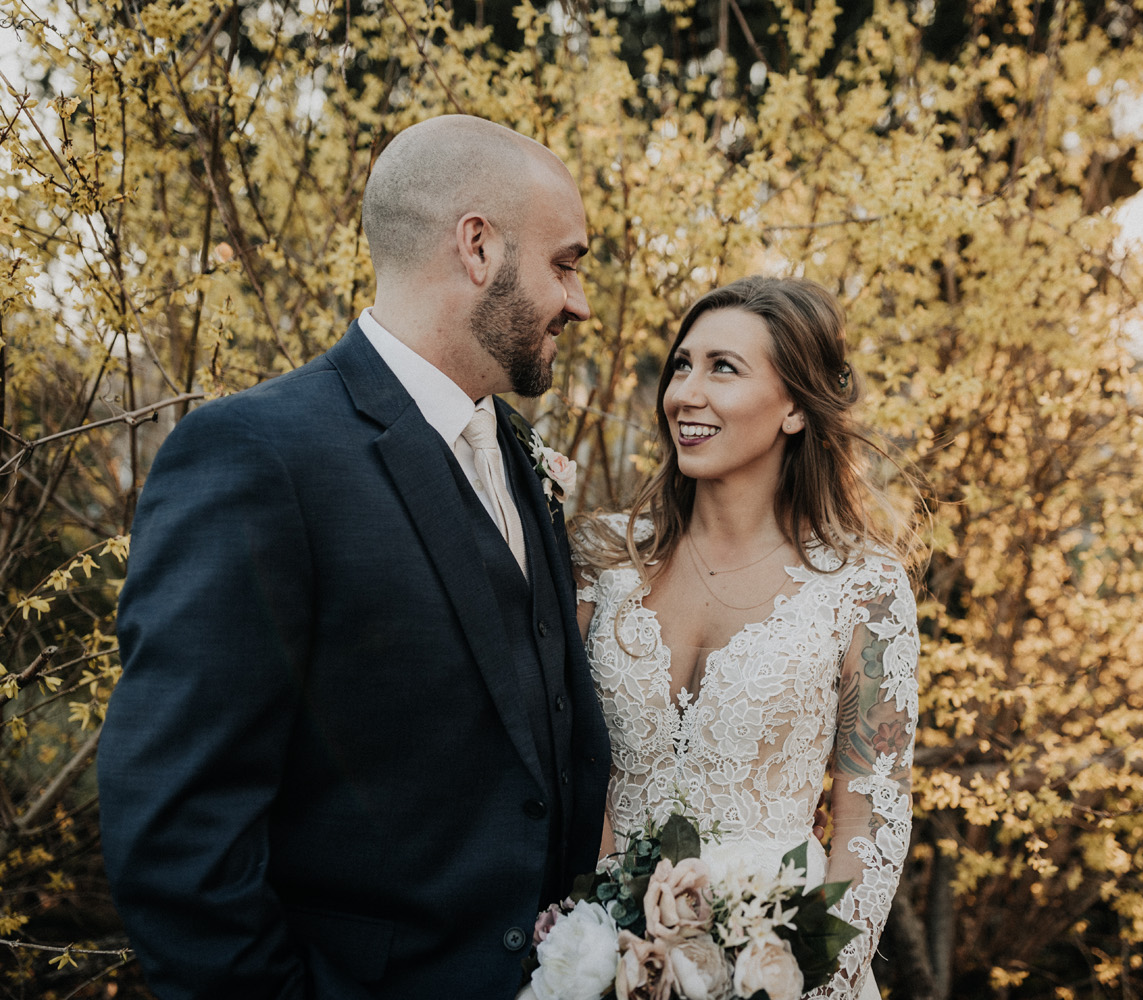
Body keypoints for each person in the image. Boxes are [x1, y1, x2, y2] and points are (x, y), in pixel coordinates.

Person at [97, 115, 612, 1000]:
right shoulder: (257, 455)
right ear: (478, 248)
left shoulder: (521, 455)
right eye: (564, 264)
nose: (580, 300)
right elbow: (177, 833)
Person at [572, 276, 919, 998]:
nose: (685, 393)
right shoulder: (601, 561)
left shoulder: (864, 588)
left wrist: (814, 978)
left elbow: (870, 814)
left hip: (784, 969)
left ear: (794, 406)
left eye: (722, 368)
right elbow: (559, 769)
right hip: (610, 960)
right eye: (681, 365)